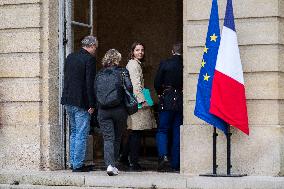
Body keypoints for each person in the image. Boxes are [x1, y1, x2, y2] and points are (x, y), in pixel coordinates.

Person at [61, 36, 98, 172]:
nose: (95, 50)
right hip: (82, 102)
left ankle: (73, 162)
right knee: (81, 133)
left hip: (68, 99)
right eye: (95, 47)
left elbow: (67, 78)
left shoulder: (70, 57)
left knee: (74, 132)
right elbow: (89, 83)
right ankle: (78, 165)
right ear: (92, 45)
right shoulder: (89, 59)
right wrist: (91, 104)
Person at [95, 49, 133, 176]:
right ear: (117, 59)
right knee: (117, 138)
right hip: (119, 110)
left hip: (103, 111)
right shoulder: (122, 72)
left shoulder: (99, 73)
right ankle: (113, 165)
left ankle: (110, 165)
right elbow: (129, 88)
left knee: (108, 139)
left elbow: (95, 90)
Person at [120, 42, 156, 171]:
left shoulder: (134, 64)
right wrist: (142, 101)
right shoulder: (134, 65)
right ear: (132, 51)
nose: (140, 52)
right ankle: (134, 162)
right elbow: (136, 85)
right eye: (137, 50)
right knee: (136, 132)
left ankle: (124, 158)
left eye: (142, 50)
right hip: (136, 104)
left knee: (133, 131)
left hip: (134, 102)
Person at [154, 43, 183, 172]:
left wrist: (160, 93)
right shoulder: (185, 64)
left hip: (167, 99)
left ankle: (163, 156)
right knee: (177, 132)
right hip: (180, 100)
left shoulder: (165, 63)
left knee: (163, 130)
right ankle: (176, 163)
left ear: (172, 51)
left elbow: (157, 82)